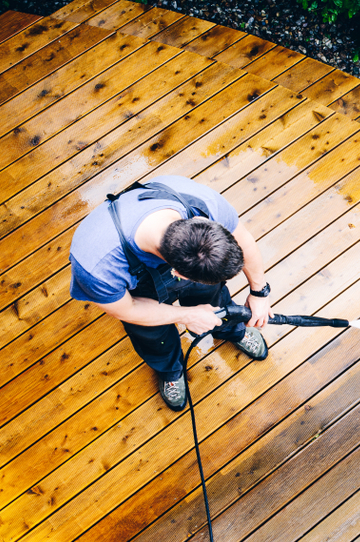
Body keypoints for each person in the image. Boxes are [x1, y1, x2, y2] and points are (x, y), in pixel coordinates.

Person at [68, 175, 273, 411]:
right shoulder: (96, 265)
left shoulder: (201, 203)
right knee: (152, 334)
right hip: (137, 295)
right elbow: (128, 310)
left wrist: (260, 292)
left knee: (214, 297)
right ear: (179, 274)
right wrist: (186, 316)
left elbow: (243, 240)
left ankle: (231, 329)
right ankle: (170, 369)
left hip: (182, 268)